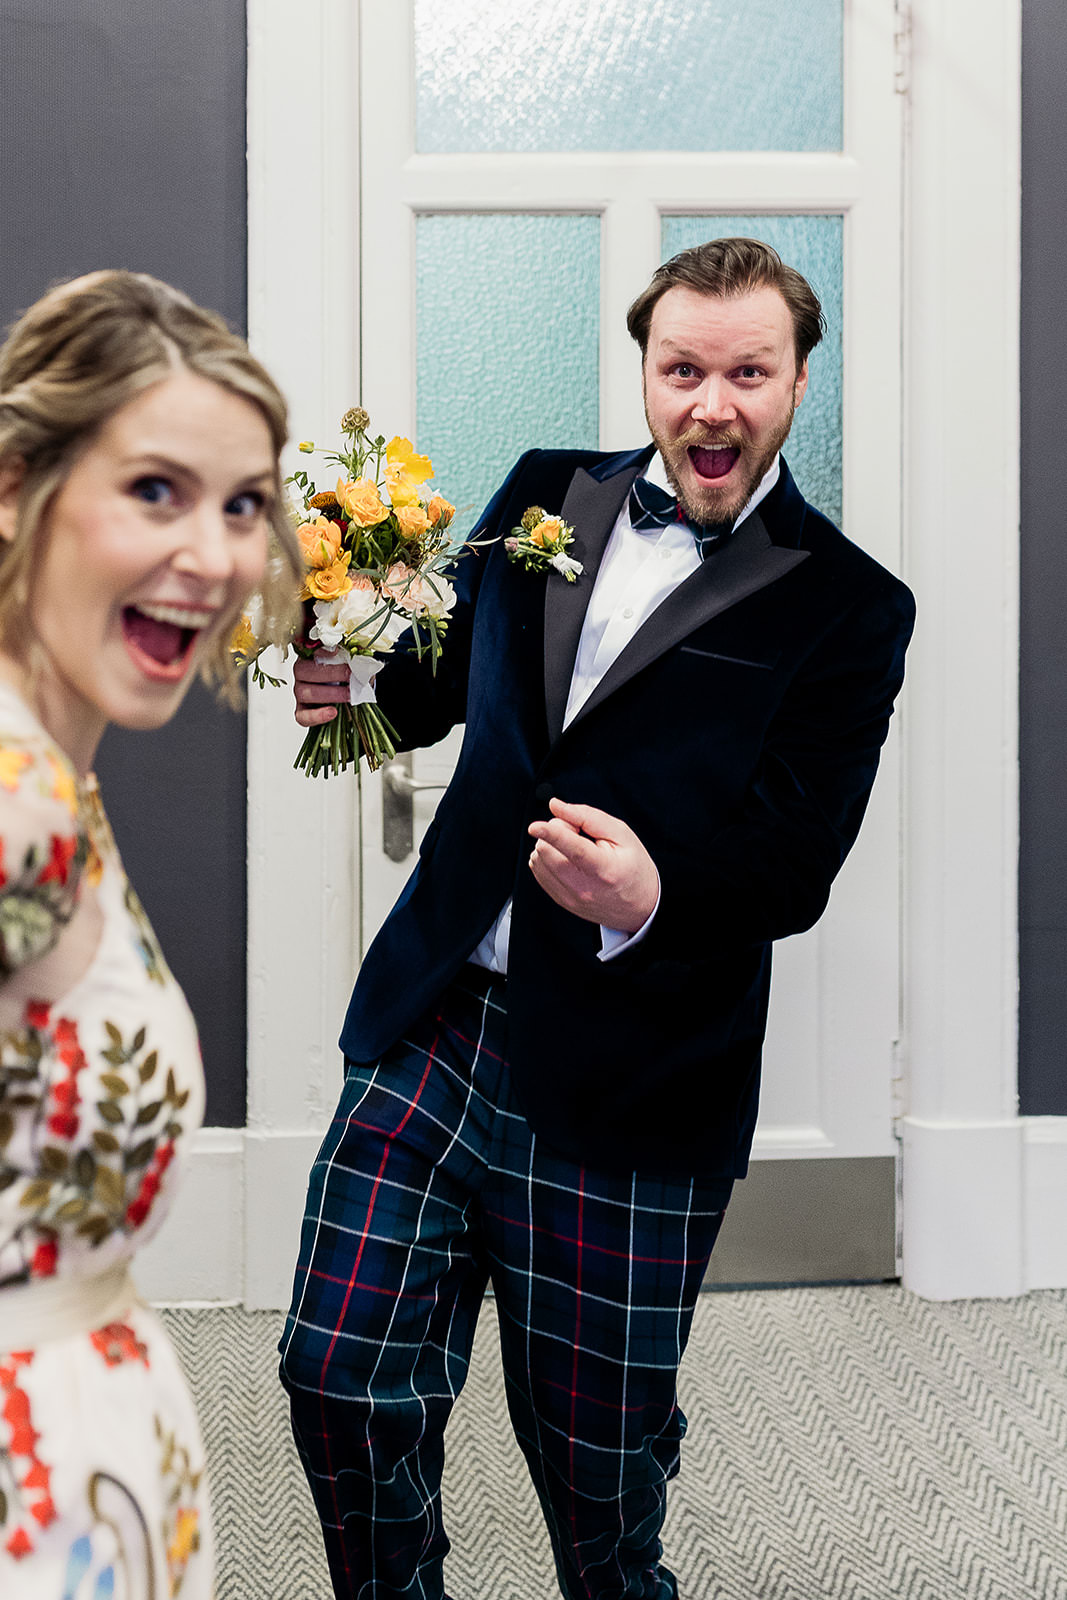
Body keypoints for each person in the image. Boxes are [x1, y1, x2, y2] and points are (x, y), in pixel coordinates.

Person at [279, 237, 915, 1599]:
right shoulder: (543, 494)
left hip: (639, 1076)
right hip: (441, 1014)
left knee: (598, 1477)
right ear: (647, 371)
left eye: (748, 371)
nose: (712, 404)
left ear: (800, 379)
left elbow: (799, 859)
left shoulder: (850, 607)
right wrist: (342, 676)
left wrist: (658, 896)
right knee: (335, 1374)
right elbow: (436, 689)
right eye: (683, 369)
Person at [0, 269, 299, 1596]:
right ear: (18, 488)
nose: (218, 557)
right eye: (156, 492)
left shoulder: (60, 775)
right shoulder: (18, 805)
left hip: (94, 1439)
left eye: (243, 506)